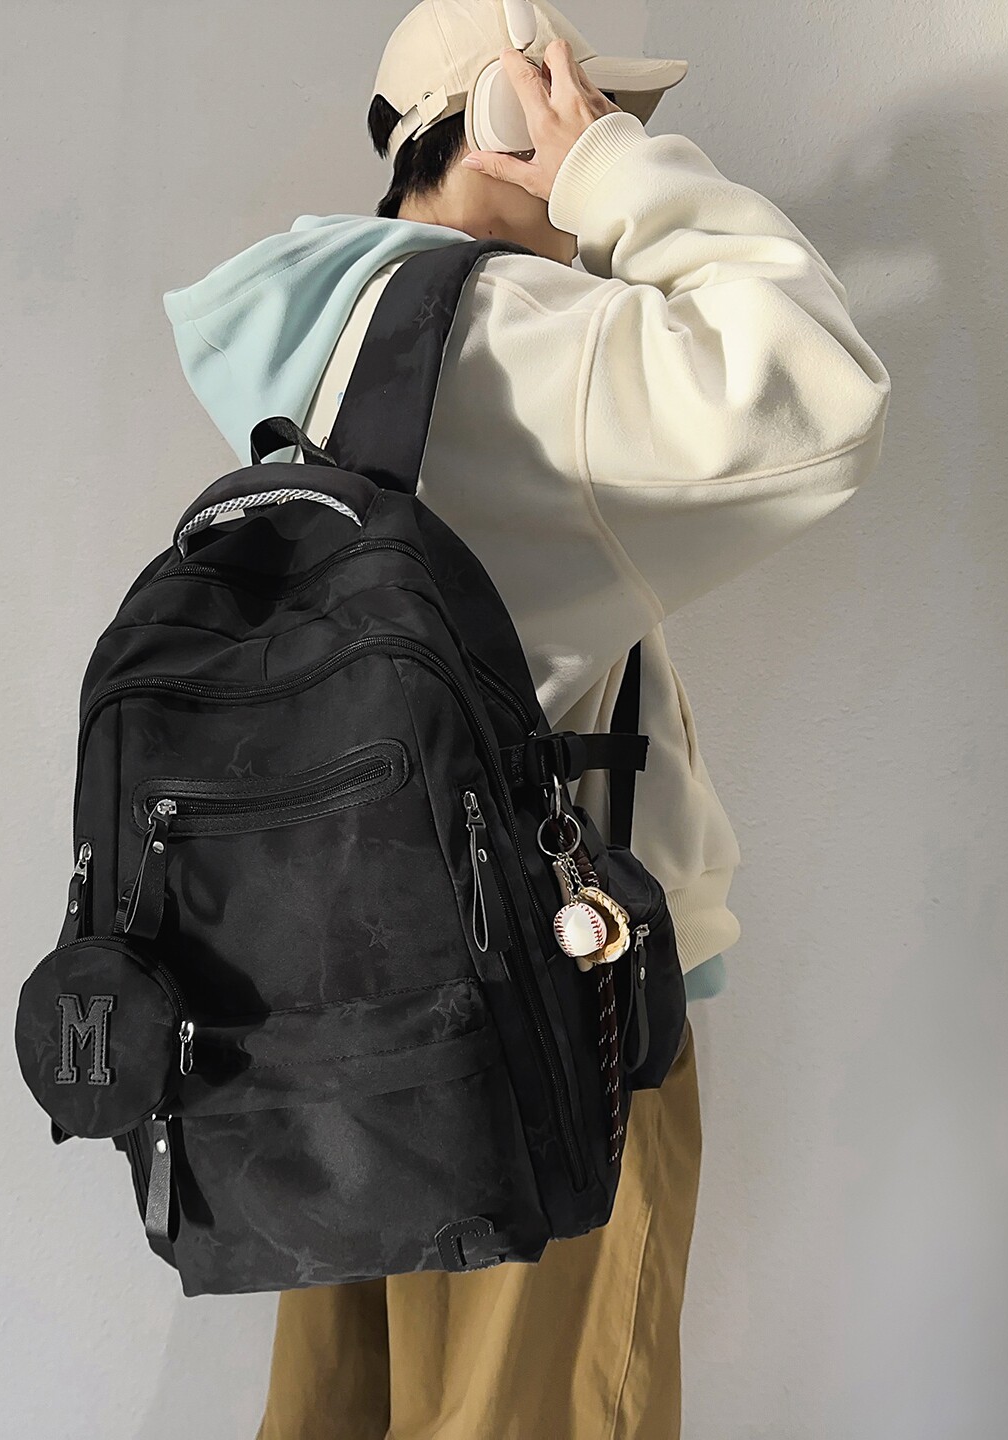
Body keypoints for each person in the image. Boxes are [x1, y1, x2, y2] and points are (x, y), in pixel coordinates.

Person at [162, 2, 891, 1434]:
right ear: (503, 115)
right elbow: (815, 391)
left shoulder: (327, 347)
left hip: (343, 991)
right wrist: (619, 178)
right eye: (579, 102)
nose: (603, 128)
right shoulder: (526, 343)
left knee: (349, 1411)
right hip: (554, 1009)